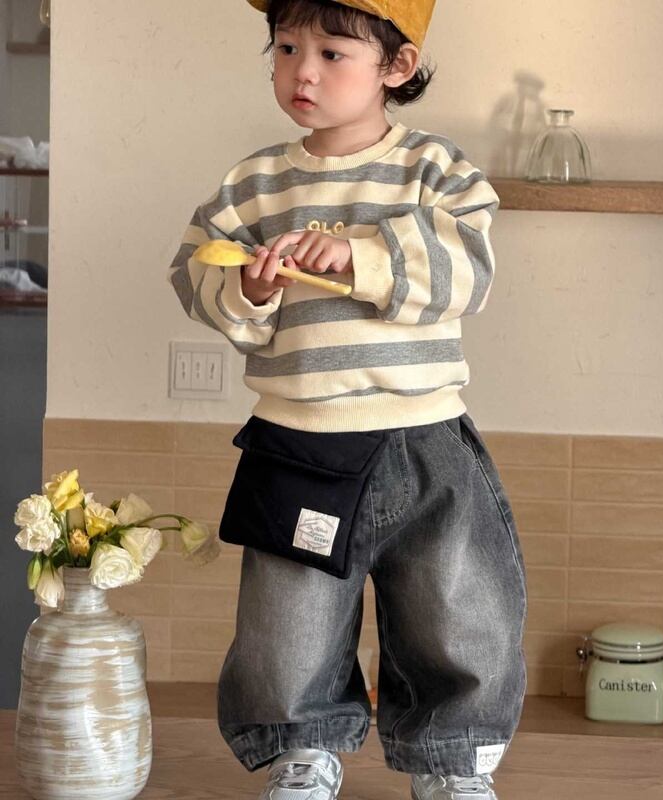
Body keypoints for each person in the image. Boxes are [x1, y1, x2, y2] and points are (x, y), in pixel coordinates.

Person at [168, 2, 528, 798]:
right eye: (286, 47)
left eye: (333, 53)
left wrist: (359, 253)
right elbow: (195, 271)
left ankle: (452, 761)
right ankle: (301, 752)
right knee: (288, 617)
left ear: (397, 67)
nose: (303, 71)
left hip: (423, 433)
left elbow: (469, 269)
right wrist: (246, 287)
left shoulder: (434, 169)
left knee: (455, 605)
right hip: (298, 438)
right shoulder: (253, 183)